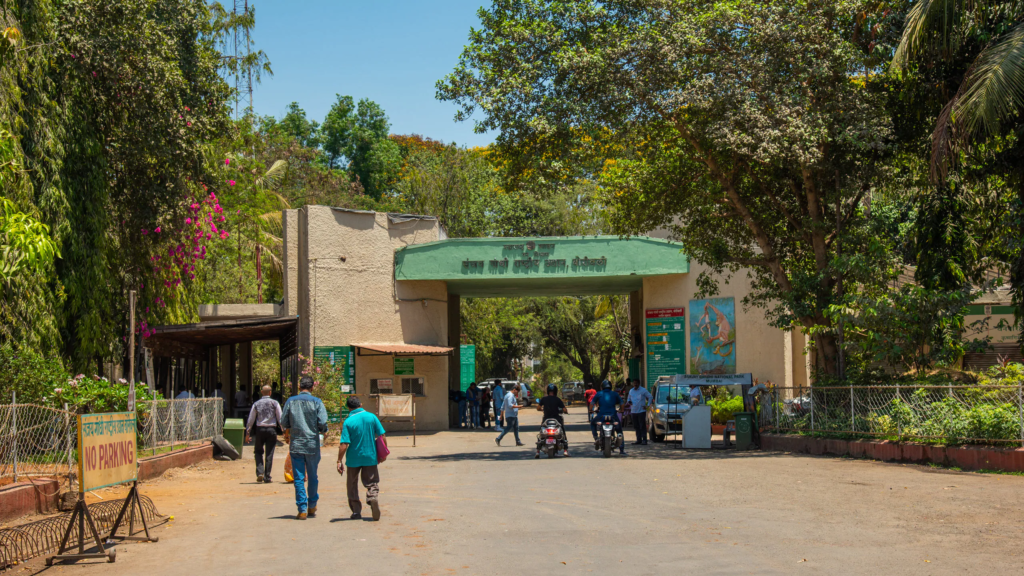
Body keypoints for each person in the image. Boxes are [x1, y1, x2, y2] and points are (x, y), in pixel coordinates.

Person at [280, 376, 328, 520]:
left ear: (299, 387)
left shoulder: (290, 401)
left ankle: (302, 509)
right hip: (312, 445)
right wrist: (323, 430)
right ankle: (312, 505)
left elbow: (284, 421)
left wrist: (290, 430)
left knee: (299, 478)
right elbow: (323, 422)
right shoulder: (317, 402)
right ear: (312, 387)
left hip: (296, 445)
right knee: (313, 476)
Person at [337, 396, 386, 521]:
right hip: (370, 456)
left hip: (353, 458)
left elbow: (344, 444)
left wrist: (339, 460)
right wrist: (383, 453)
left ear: (348, 408)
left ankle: (356, 512)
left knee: (352, 484)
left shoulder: (348, 421)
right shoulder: (371, 417)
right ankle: (372, 497)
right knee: (372, 481)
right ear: (361, 404)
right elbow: (382, 435)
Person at [245, 385, 282, 483]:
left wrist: (247, 432)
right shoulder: (275, 403)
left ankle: (260, 472)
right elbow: (280, 418)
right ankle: (267, 476)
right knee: (269, 453)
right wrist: (284, 431)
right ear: (270, 393)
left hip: (260, 429)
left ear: (262, 392)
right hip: (271, 430)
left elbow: (251, 419)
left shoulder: (256, 404)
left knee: (258, 451)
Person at [535, 383, 570, 458]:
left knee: (541, 433)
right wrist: (566, 411)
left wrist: (542, 409)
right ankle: (566, 450)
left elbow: (538, 408)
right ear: (555, 391)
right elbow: (564, 409)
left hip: (546, 419)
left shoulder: (544, 399)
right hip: (556, 419)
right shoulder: (558, 399)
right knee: (563, 432)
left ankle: (537, 451)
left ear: (548, 391)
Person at [590, 380, 625, 455]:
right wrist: (621, 410)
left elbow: (591, 403)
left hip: (601, 416)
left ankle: (596, 438)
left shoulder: (599, 393)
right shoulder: (615, 394)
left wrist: (590, 410)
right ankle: (621, 449)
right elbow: (622, 403)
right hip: (613, 416)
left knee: (593, 423)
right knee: (619, 431)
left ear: (602, 387)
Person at [627, 378, 653, 445]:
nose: (635, 384)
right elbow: (628, 398)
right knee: (636, 426)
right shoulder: (631, 391)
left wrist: (647, 405)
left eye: (636, 383)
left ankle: (644, 440)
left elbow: (650, 397)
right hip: (633, 411)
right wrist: (629, 401)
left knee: (642, 426)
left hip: (641, 411)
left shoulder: (643, 390)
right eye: (634, 383)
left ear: (639, 383)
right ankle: (639, 440)